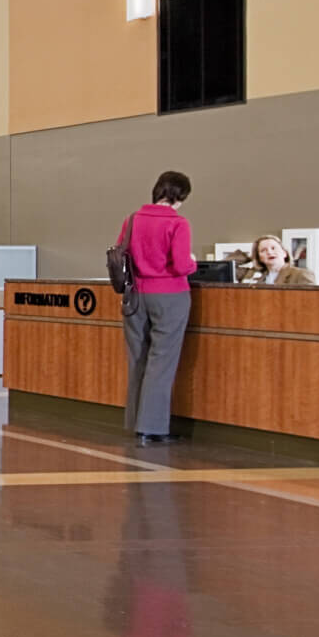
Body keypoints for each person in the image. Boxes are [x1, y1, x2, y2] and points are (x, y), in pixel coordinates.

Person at [117, 171, 195, 446]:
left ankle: (135, 421)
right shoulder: (178, 223)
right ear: (180, 196)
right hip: (169, 295)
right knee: (162, 361)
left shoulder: (132, 220)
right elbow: (182, 265)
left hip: (135, 295)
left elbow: (120, 253)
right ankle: (152, 428)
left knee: (137, 358)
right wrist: (193, 263)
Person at [244, 234, 314, 285]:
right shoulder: (255, 277)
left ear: (284, 253)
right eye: (263, 250)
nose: (269, 252)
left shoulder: (301, 274)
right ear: (259, 258)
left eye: (273, 248)